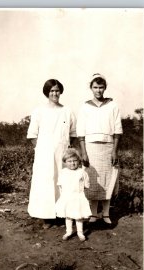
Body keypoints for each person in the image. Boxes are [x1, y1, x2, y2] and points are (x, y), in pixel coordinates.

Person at [27, 79, 77, 229]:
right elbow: (32, 135)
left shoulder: (67, 111)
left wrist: (67, 148)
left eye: (57, 90)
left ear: (61, 92)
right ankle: (46, 217)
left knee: (62, 181)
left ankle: (61, 215)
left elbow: (73, 133)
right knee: (46, 182)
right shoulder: (39, 111)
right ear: (47, 93)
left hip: (62, 153)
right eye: (52, 91)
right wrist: (41, 150)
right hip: (44, 154)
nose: (55, 93)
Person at [76, 73, 123, 224]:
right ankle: (94, 214)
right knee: (92, 181)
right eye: (95, 87)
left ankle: (106, 214)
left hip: (108, 147)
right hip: (90, 148)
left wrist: (114, 151)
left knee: (108, 180)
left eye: (101, 87)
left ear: (105, 88)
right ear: (91, 88)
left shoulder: (113, 105)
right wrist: (83, 152)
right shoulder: (84, 107)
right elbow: (81, 131)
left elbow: (117, 129)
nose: (98, 90)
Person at [55, 148, 92, 241]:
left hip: (78, 196)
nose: (72, 163)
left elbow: (87, 184)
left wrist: (81, 192)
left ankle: (80, 232)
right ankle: (69, 231)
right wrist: (63, 197)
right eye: (69, 161)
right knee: (68, 215)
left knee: (78, 216)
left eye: (75, 161)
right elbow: (60, 185)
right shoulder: (63, 172)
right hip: (67, 196)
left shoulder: (82, 172)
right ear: (65, 162)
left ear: (79, 161)